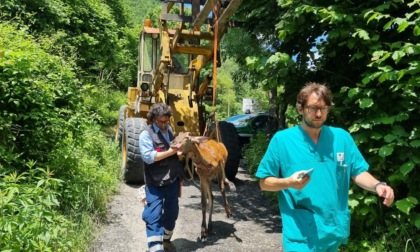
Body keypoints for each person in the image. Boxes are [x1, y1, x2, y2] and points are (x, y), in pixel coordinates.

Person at [255, 82, 394, 251]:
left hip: (333, 231)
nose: (319, 114)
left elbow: (357, 172)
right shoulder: (282, 140)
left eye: (324, 108)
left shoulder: (341, 138)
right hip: (300, 234)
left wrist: (378, 185)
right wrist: (289, 182)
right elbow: (264, 182)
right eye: (313, 108)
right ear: (300, 109)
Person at [139, 103, 185, 252]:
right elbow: (149, 157)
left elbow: (172, 151)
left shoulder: (169, 130)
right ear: (153, 119)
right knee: (153, 216)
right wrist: (172, 152)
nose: (163, 124)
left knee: (172, 214)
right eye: (160, 122)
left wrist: (183, 152)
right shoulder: (146, 134)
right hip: (154, 183)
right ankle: (156, 248)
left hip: (171, 179)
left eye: (166, 121)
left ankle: (166, 240)